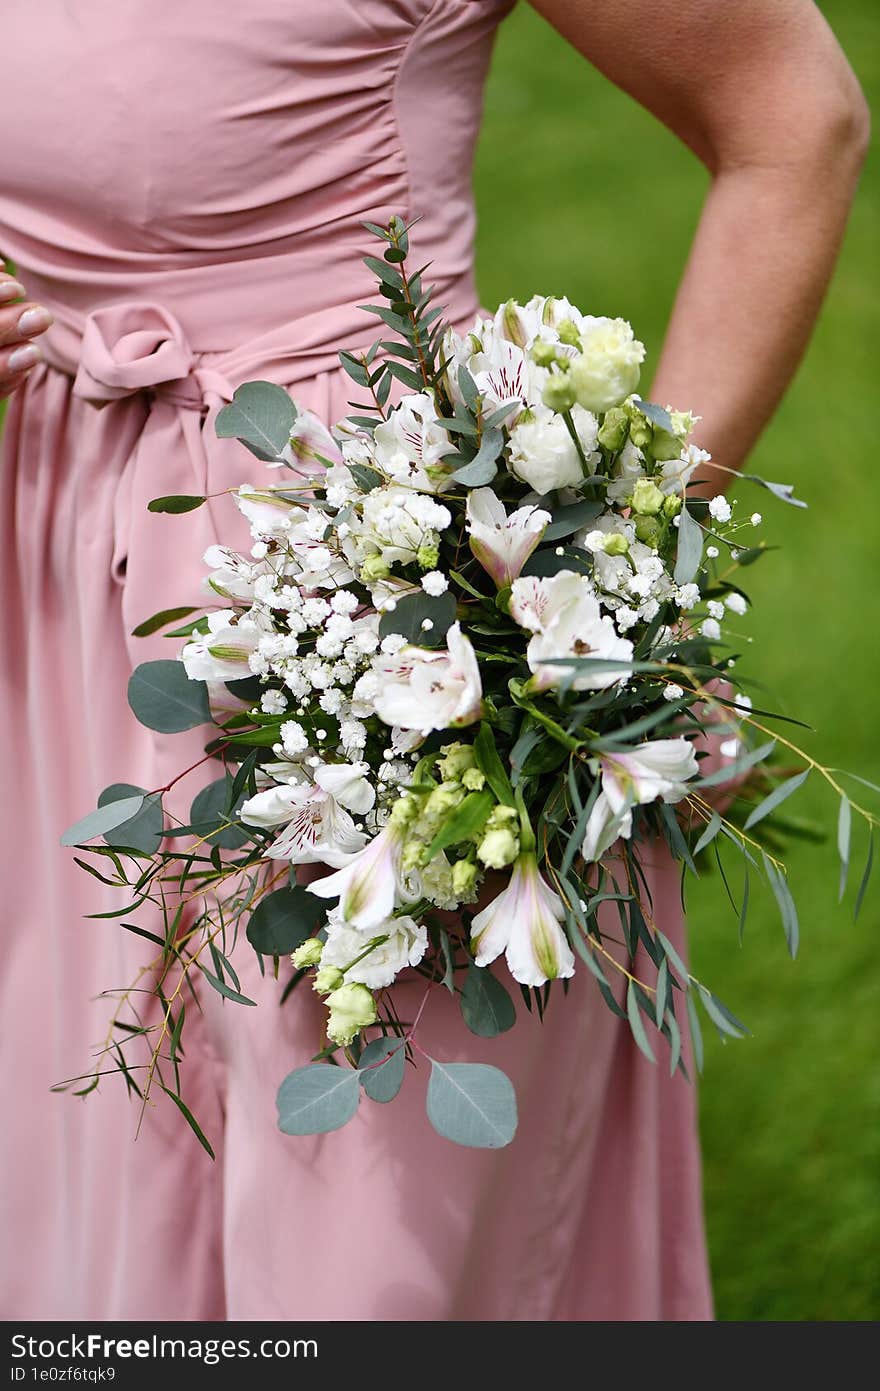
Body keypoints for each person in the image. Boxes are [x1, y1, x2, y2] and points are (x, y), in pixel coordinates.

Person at [0, 1, 867, 1321]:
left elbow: (792, 121)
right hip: (55, 545)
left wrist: (590, 588)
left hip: (362, 603)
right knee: (94, 1154)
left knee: (364, 1233)